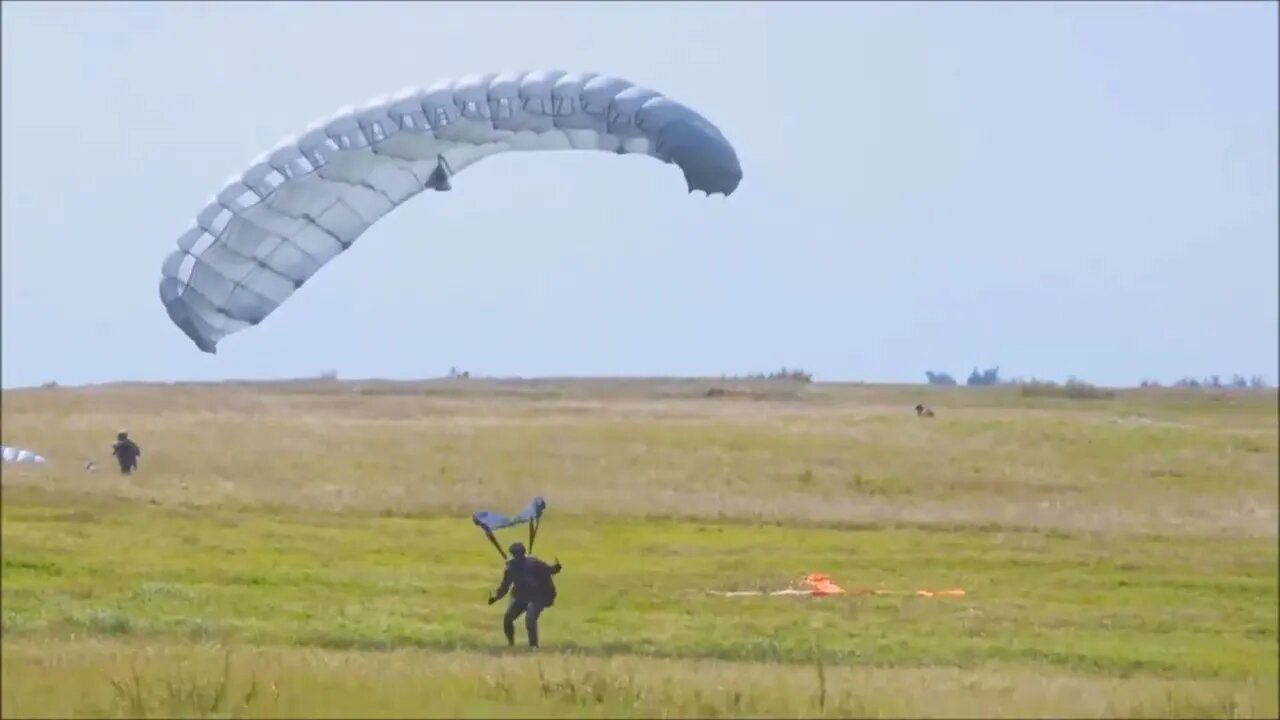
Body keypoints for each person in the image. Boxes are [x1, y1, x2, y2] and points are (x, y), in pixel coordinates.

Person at [488, 541, 562, 648]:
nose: (516, 556)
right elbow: (505, 586)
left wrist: (556, 567)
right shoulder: (511, 569)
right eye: (514, 554)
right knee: (507, 618)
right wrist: (495, 597)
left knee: (530, 618)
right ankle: (511, 644)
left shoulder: (534, 563)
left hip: (537, 597)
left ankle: (533, 646)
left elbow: (550, 570)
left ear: (523, 554)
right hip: (521, 597)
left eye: (518, 554)